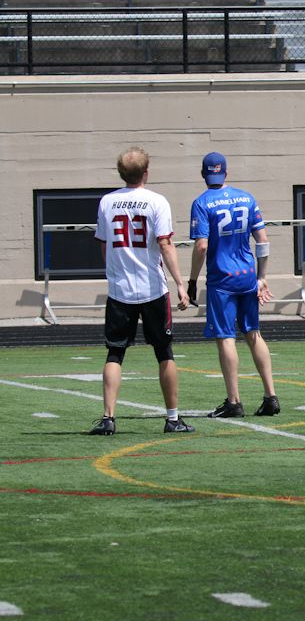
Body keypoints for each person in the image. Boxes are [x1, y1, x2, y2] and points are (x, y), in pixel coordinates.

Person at [89, 147, 195, 435]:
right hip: (152, 288)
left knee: (115, 353)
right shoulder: (157, 202)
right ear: (146, 172)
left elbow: (104, 244)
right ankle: (172, 418)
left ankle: (108, 418)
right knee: (164, 352)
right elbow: (165, 244)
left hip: (120, 289)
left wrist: (113, 272)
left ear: (121, 173)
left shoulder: (107, 202)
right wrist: (180, 283)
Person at [188, 152, 280, 418]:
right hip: (247, 275)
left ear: (203, 174)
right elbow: (263, 240)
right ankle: (271, 396)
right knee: (253, 333)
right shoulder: (246, 198)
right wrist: (262, 276)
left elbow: (201, 246)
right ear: (226, 173)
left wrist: (192, 280)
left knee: (226, 337)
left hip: (222, 279)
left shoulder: (202, 202)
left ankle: (234, 401)